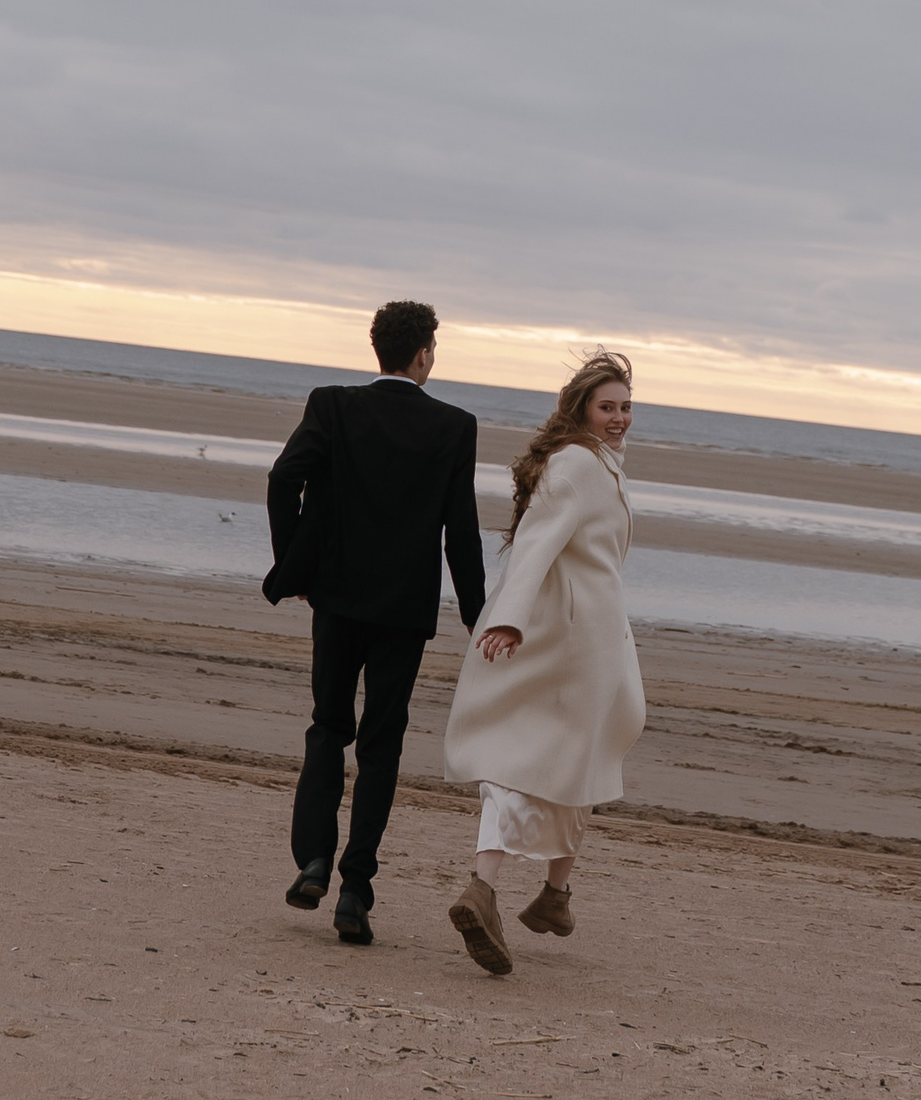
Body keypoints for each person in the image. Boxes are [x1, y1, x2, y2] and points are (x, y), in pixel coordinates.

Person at [264, 299, 486, 946]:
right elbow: (461, 532)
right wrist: (479, 617)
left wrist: (296, 567)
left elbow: (283, 480)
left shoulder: (332, 406)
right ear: (422, 355)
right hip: (403, 612)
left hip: (335, 598)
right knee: (380, 746)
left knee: (328, 727)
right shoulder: (454, 426)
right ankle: (355, 889)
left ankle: (314, 860)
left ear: (378, 349)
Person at [441, 351, 644, 975]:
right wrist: (509, 617)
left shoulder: (601, 462)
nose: (619, 418)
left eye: (625, 407)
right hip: (572, 638)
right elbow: (534, 544)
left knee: (577, 754)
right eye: (606, 407)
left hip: (595, 635)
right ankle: (486, 887)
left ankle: (554, 894)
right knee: (530, 755)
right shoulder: (577, 464)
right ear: (580, 409)